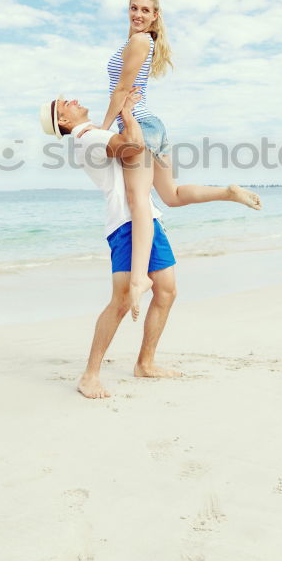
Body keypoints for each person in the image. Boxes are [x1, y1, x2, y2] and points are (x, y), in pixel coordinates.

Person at [100, 0, 261, 321]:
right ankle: (227, 191)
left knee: (140, 200)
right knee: (167, 195)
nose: (137, 14)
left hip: (136, 125)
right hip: (154, 125)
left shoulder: (139, 41)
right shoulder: (139, 36)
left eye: (144, 11)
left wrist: (102, 133)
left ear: (155, 18)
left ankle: (138, 278)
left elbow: (120, 92)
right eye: (133, 9)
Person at [40, 89, 180, 398]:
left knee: (167, 289)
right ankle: (89, 376)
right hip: (128, 224)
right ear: (63, 120)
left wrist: (123, 109)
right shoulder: (89, 139)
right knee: (119, 301)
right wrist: (128, 114)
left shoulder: (93, 135)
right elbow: (133, 147)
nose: (72, 99)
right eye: (66, 103)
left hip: (145, 220)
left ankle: (145, 363)